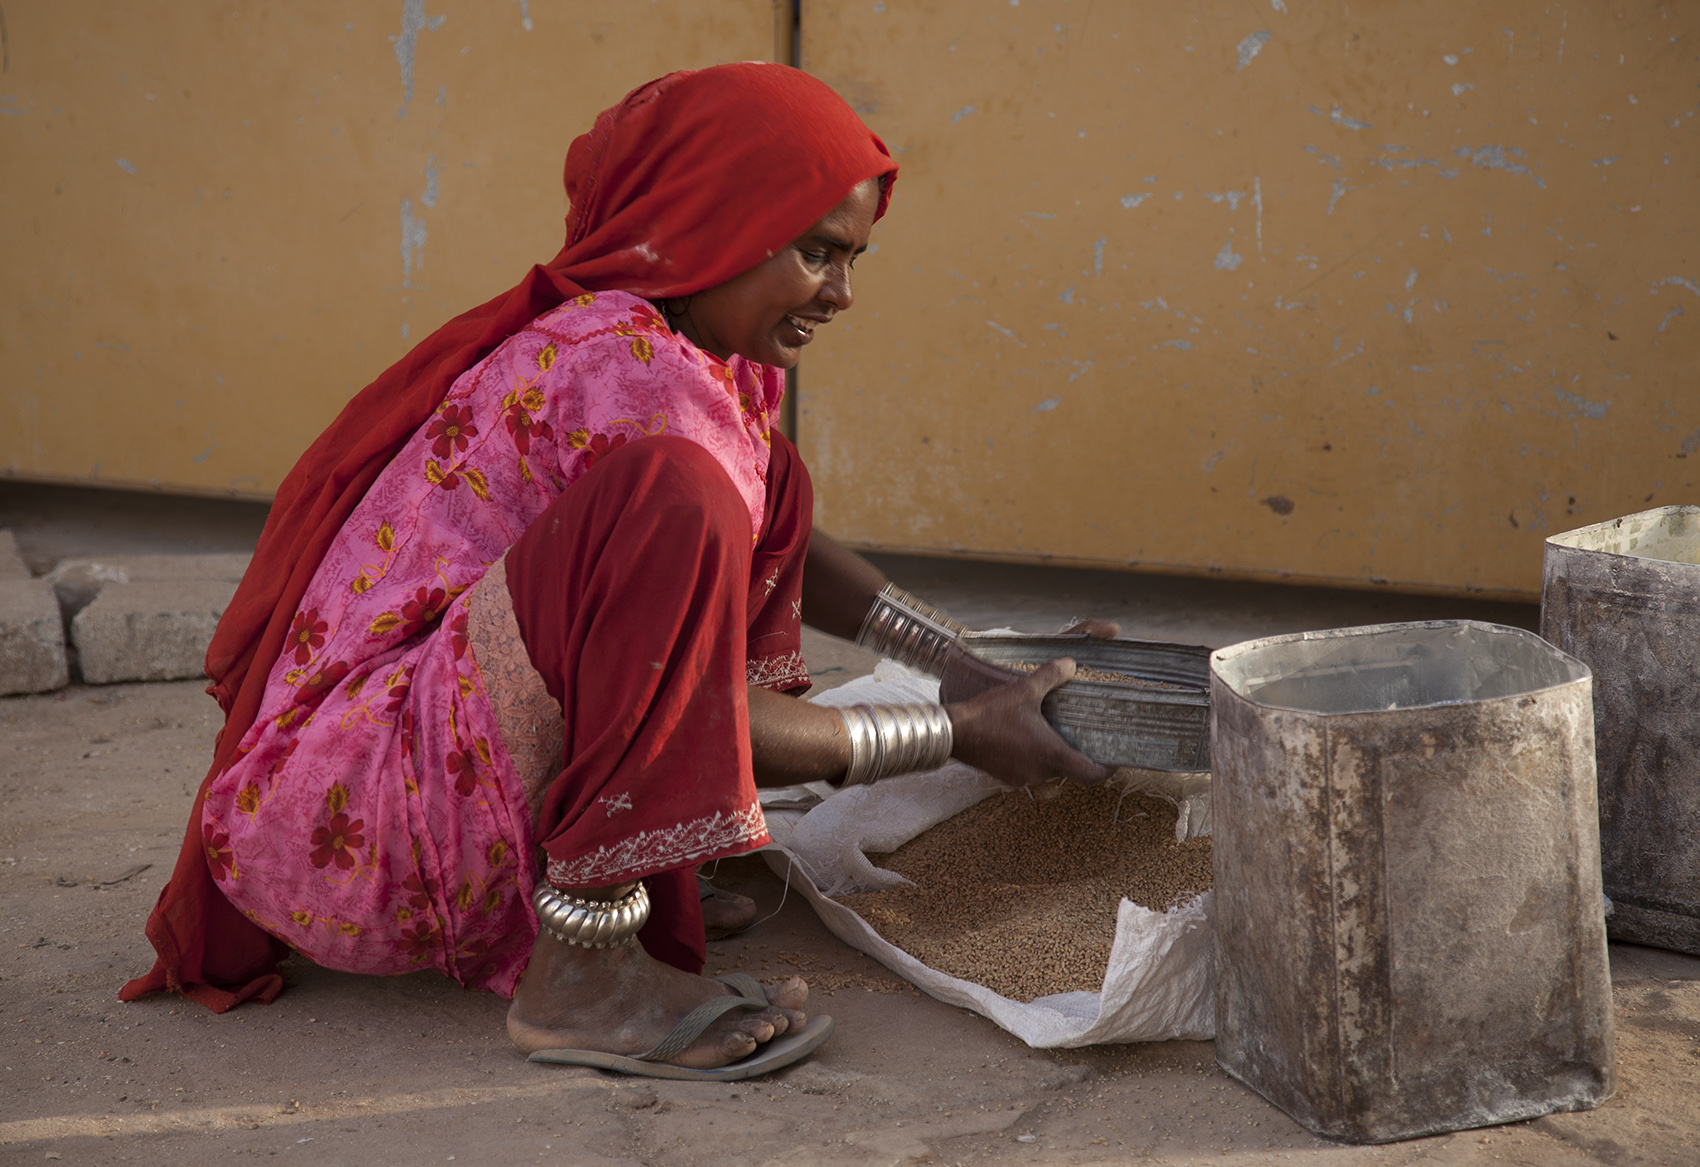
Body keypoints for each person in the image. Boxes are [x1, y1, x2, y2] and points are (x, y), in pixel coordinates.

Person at [121, 63, 1112, 1077]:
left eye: (855, 257)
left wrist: (966, 660)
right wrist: (951, 732)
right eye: (817, 253)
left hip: (416, 776)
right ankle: (585, 973)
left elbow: (781, 547)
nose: (843, 293)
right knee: (679, 500)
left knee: (762, 481)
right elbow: (703, 710)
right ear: (714, 227)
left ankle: (668, 856)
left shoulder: (710, 360)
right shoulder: (618, 363)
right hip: (354, 819)